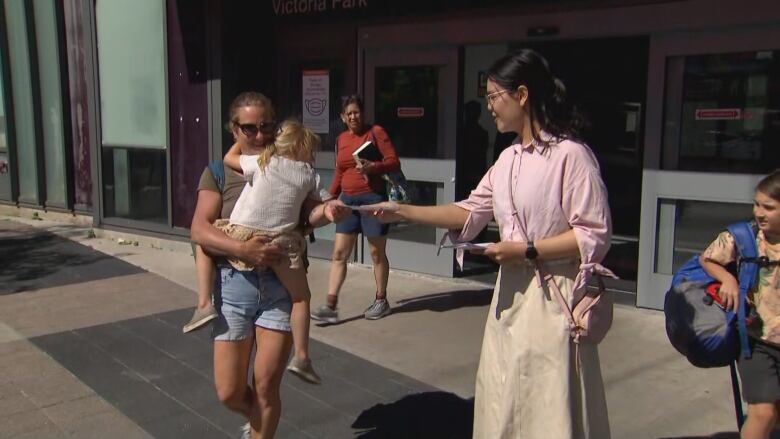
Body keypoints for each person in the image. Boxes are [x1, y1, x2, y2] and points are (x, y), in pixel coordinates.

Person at [369, 49, 613, 438]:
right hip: (509, 300)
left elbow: (593, 234)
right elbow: (469, 211)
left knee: (547, 406)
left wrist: (526, 250)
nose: (489, 107)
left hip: (553, 300)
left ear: (522, 94)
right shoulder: (508, 159)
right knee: (504, 400)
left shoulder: (571, 156)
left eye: (493, 97)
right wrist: (401, 211)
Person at [190, 92, 347, 439]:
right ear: (234, 129)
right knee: (229, 391)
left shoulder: (291, 166)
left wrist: (329, 210)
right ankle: (258, 421)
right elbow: (200, 229)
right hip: (234, 285)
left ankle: (262, 429)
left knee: (266, 387)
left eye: (266, 127)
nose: (259, 135)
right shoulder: (219, 172)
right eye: (249, 128)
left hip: (280, 285)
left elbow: (311, 213)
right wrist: (244, 249)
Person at [700, 169, 780, 439]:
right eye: (757, 204)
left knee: (774, 415)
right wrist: (727, 279)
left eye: (769, 207)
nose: (759, 212)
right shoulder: (744, 237)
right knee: (763, 412)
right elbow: (707, 258)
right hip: (756, 341)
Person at [310, 95, 401, 323]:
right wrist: (330, 197)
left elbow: (394, 162)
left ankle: (381, 300)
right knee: (339, 254)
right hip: (347, 201)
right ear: (342, 117)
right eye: (348, 113)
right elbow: (340, 171)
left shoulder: (376, 133)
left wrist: (374, 167)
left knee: (375, 253)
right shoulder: (341, 138)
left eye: (356, 112)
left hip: (373, 200)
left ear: (363, 113)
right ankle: (330, 305)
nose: (353, 116)